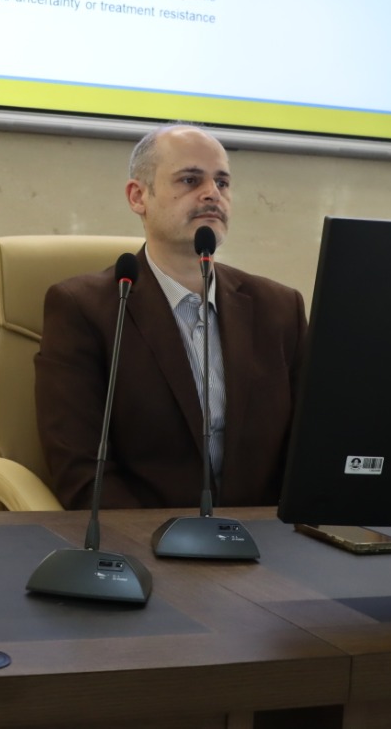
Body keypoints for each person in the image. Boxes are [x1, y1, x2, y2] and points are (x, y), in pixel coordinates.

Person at [34, 123, 306, 510]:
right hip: (145, 534)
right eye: (190, 180)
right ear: (138, 196)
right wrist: (153, 538)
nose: (212, 193)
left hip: (262, 535)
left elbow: (307, 449)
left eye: (222, 182)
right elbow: (81, 470)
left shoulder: (278, 308)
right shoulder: (84, 309)